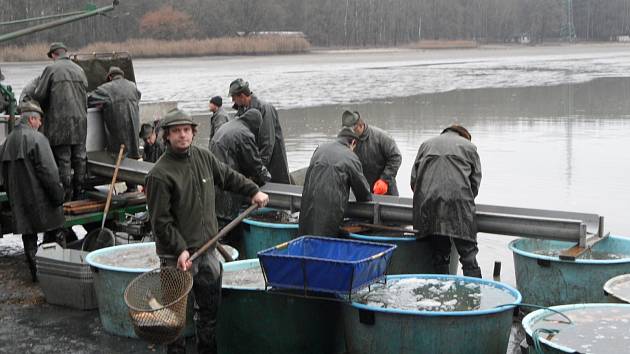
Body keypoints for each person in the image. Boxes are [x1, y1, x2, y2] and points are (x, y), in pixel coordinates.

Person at [145, 108, 269, 354]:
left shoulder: (204, 157)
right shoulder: (159, 174)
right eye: (177, 131)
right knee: (175, 319)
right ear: (167, 136)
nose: (183, 135)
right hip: (176, 257)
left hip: (208, 250)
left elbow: (228, 176)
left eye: (187, 130)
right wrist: (179, 249)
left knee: (209, 313)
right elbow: (161, 222)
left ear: (193, 132)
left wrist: (253, 190)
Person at [0, 99, 65, 282]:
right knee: (56, 232)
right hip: (42, 203)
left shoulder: (7, 142)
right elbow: (49, 172)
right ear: (31, 120)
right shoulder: (37, 139)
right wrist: (59, 196)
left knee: (29, 239)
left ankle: (38, 276)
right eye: (39, 120)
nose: (41, 124)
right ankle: (59, 275)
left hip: (20, 203)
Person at [410, 124, 482, 278]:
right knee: (468, 257)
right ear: (464, 136)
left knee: (440, 255)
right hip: (460, 206)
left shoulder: (426, 145)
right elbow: (474, 184)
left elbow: (414, 181)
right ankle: (474, 297)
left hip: (430, 205)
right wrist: (463, 201)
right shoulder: (469, 147)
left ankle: (443, 294)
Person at [33, 42, 88, 201]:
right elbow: (85, 90)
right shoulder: (79, 69)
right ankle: (80, 193)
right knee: (79, 157)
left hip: (59, 122)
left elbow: (40, 95)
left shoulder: (51, 70)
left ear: (54, 55)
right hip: (80, 121)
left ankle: (66, 196)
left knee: (64, 159)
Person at [298, 127, 372, 237]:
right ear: (353, 142)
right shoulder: (350, 157)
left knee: (308, 239)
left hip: (307, 207)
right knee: (326, 242)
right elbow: (362, 192)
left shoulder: (320, 149)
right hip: (330, 213)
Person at [210, 108, 270, 223]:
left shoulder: (228, 126)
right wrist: (263, 179)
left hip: (215, 180)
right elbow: (254, 164)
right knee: (228, 220)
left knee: (218, 219)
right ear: (255, 125)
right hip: (228, 185)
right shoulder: (245, 133)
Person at [229, 78, 291, 184]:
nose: (232, 101)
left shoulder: (265, 109)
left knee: (277, 187)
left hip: (272, 165)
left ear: (242, 96)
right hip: (257, 165)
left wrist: (259, 172)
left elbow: (267, 144)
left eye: (233, 98)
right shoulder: (241, 111)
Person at [342, 110, 402, 196]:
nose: (350, 134)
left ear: (360, 125)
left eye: (353, 130)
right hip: (361, 191)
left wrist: (384, 179)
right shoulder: (347, 141)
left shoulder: (381, 137)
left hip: (384, 190)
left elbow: (396, 157)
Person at [88, 66, 142, 159]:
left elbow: (89, 99)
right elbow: (138, 95)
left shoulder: (107, 88)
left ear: (110, 77)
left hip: (118, 136)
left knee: (119, 154)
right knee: (131, 155)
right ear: (122, 76)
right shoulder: (132, 86)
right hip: (134, 135)